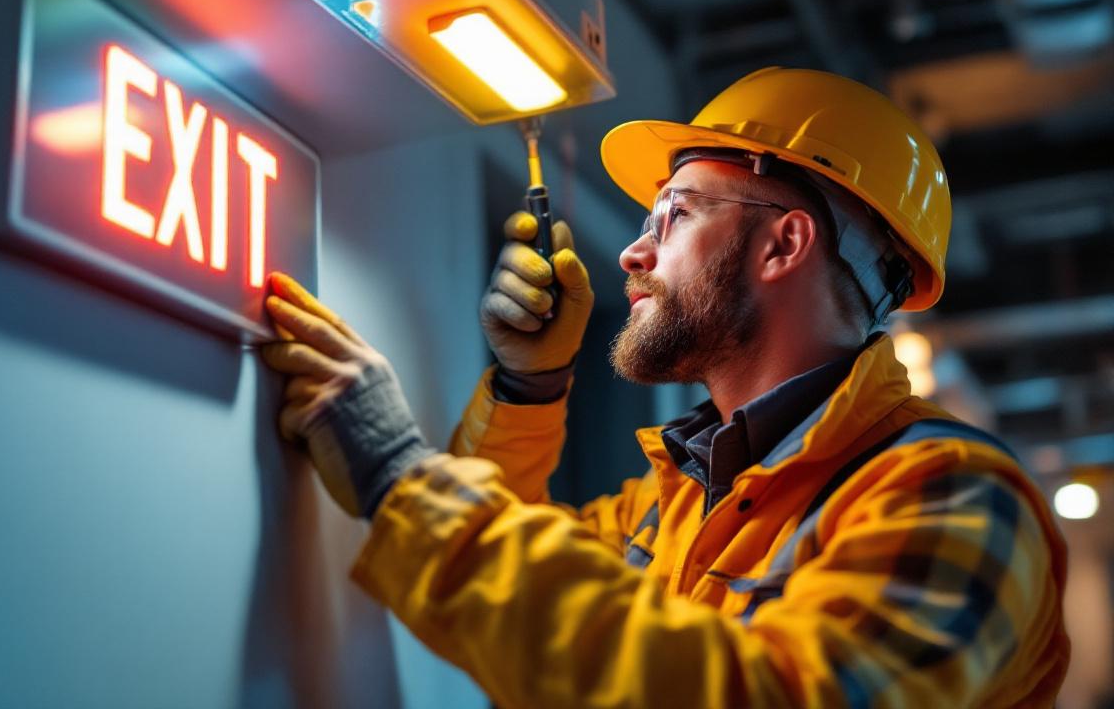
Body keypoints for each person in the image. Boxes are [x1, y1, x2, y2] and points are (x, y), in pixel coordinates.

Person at [260, 68, 1069, 707]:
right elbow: (532, 604)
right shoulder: (677, 499)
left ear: (783, 244)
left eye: (674, 216)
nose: (631, 255)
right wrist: (528, 385)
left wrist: (400, 473)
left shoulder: (953, 496)